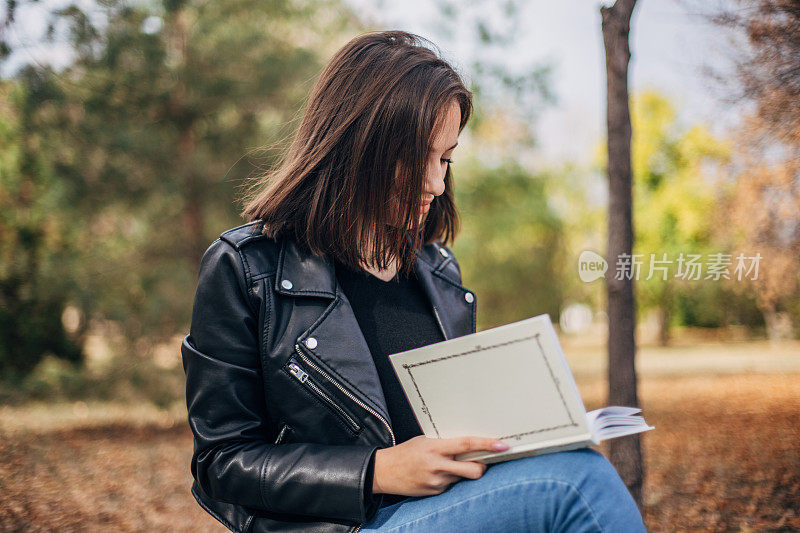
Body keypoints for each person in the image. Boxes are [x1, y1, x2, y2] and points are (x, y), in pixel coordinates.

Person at [182, 30, 647, 533]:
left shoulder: (438, 272)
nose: (437, 183)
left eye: (446, 159)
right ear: (357, 144)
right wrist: (378, 471)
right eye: (417, 158)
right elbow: (221, 463)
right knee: (575, 482)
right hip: (348, 526)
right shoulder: (246, 268)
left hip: (447, 510)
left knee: (573, 470)